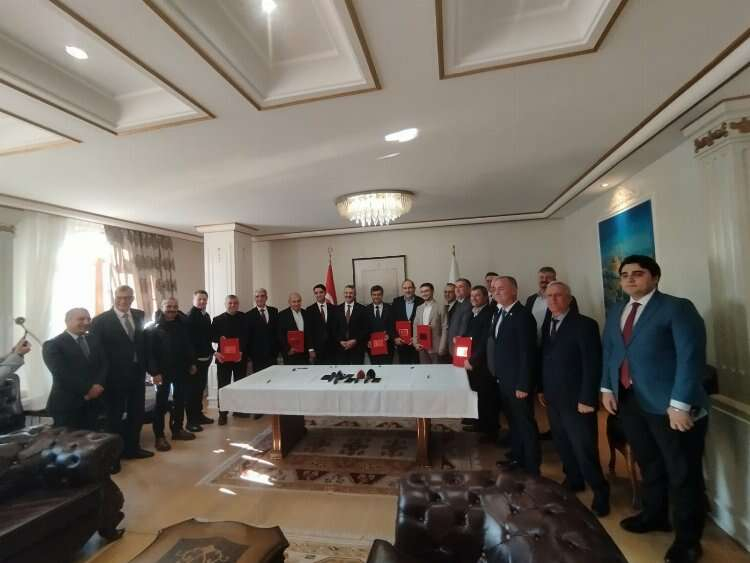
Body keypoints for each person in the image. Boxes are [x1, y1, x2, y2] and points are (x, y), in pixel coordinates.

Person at [601, 255, 708, 563]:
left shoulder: (677, 308)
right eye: (624, 275)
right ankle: (654, 515)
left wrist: (680, 404)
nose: (629, 279)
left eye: (638, 274)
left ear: (655, 278)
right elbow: (611, 351)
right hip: (630, 400)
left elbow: (691, 357)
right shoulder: (618, 310)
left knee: (682, 472)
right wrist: (607, 387)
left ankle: (688, 541)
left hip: (671, 406)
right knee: (649, 463)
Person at [538, 282, 609, 517]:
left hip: (578, 399)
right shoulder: (548, 323)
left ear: (569, 299)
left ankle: (600, 491)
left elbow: (592, 363)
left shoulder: (585, 324)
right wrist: (542, 389)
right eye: (549, 296)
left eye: (558, 296)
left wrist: (588, 397)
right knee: (562, 443)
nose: (553, 300)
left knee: (584, 446)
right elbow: (546, 358)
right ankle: (574, 480)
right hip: (553, 397)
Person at [90, 285, 153, 461]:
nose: (123, 301)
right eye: (119, 297)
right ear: (114, 297)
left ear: (132, 299)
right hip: (113, 377)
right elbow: (96, 353)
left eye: (127, 297)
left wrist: (151, 370)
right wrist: (99, 379)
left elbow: (143, 344)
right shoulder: (100, 321)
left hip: (137, 374)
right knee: (114, 417)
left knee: (136, 413)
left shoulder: (139, 315)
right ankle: (113, 457)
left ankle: (133, 449)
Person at [490, 276, 540, 475]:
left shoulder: (522, 315)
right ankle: (518, 458)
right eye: (494, 289)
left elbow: (527, 353)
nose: (496, 292)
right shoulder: (499, 313)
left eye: (501, 288)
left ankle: (532, 467)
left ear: (514, 291)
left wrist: (524, 384)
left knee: (525, 424)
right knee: (513, 423)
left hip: (518, 382)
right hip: (504, 379)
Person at [146, 298, 197, 451]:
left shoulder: (182, 324)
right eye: (168, 306)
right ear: (162, 307)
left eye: (175, 306)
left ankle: (177, 430)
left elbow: (188, 346)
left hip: (181, 370)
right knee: (161, 405)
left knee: (180, 401)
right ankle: (159, 436)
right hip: (162, 372)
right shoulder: (153, 328)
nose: (172, 309)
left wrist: (192, 363)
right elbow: (149, 354)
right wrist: (154, 373)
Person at [42, 308, 106, 430]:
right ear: (68, 321)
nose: (86, 322)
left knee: (93, 439)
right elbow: (61, 374)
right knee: (69, 441)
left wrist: (98, 385)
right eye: (81, 319)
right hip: (67, 405)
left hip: (94, 403)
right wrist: (88, 390)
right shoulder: (53, 345)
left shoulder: (93, 339)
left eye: (88, 319)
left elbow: (104, 364)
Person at [463, 286, 497, 442]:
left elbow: (485, 341)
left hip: (482, 363)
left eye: (477, 296)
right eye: (472, 296)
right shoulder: (473, 312)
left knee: (486, 397)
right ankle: (479, 424)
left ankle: (490, 431)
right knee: (477, 394)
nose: (474, 298)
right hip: (471, 361)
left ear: (485, 297)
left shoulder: (489, 313)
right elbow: (469, 335)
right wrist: (460, 339)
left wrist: (473, 360)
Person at [211, 294, 248, 425]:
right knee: (223, 386)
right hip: (223, 359)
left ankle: (239, 410)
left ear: (238, 304)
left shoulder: (244, 317)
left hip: (240, 357)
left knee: (240, 385)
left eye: (235, 303)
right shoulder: (217, 319)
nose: (233, 305)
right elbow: (212, 338)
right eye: (230, 303)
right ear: (225, 304)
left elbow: (247, 336)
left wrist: (241, 352)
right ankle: (223, 413)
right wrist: (219, 340)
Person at [525, 266, 579, 341]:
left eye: (548, 277)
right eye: (541, 277)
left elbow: (574, 323)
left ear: (555, 280)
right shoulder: (530, 299)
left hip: (555, 342)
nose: (544, 280)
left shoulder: (567, 299)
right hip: (532, 342)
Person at [186, 290, 214, 430]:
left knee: (200, 390)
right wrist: (191, 363)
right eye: (199, 299)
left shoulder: (206, 315)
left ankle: (199, 415)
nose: (202, 301)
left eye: (204, 299)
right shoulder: (190, 317)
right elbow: (188, 342)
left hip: (205, 358)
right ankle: (191, 421)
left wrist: (212, 353)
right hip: (195, 361)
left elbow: (207, 338)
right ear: (194, 300)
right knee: (192, 392)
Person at [247, 288, 279, 375]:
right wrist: (250, 355)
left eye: (262, 296)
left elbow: (277, 332)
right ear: (254, 298)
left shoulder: (274, 311)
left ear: (266, 297)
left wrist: (277, 350)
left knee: (274, 378)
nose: (260, 298)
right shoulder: (249, 315)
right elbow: (248, 337)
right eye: (257, 296)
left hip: (272, 354)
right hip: (257, 356)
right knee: (259, 379)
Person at [332, 285, 368, 364]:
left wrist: (355, 340)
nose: (348, 295)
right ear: (344, 294)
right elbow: (334, 329)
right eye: (346, 293)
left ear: (355, 295)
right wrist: (340, 341)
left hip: (357, 348)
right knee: (343, 371)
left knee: (357, 370)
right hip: (341, 349)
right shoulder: (336, 309)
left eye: (351, 293)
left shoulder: (362, 309)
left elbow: (365, 329)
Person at [413, 282, 448, 364]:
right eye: (422, 292)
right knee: (425, 370)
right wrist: (415, 343)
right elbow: (415, 326)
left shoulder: (441, 307)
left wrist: (442, 347)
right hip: (422, 346)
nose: (424, 294)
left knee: (437, 370)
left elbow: (445, 327)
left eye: (426, 291)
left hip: (436, 347)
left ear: (432, 291)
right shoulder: (419, 308)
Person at [392, 279, 423, 364]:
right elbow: (391, 322)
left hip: (416, 343)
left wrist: (417, 338)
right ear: (402, 289)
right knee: (404, 367)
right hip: (401, 343)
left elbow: (424, 323)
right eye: (405, 288)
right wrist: (395, 337)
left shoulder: (421, 302)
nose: (407, 290)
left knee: (417, 367)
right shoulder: (396, 302)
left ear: (414, 288)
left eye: (410, 287)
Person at [277, 292, 312, 365]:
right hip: (290, 353)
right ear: (289, 302)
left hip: (305, 354)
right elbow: (280, 335)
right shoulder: (282, 315)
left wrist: (310, 349)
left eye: (298, 301)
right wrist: (288, 349)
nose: (296, 304)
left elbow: (309, 333)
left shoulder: (306, 313)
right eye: (294, 301)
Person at [365, 285, 395, 364]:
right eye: (374, 294)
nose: (376, 297)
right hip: (372, 346)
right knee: (375, 369)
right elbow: (364, 328)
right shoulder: (366, 310)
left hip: (387, 346)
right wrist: (367, 341)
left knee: (387, 368)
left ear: (382, 295)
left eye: (378, 294)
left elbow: (393, 325)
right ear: (371, 295)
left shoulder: (390, 308)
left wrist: (389, 335)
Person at [305, 284, 334, 365]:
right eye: (316, 293)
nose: (318, 295)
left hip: (332, 348)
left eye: (321, 292)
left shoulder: (333, 308)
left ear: (325, 293)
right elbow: (308, 331)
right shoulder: (309, 310)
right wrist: (311, 349)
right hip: (317, 349)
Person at [447, 278, 473, 356]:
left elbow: (464, 326)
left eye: (461, 287)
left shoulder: (470, 303)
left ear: (469, 289)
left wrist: (459, 340)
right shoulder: (458, 303)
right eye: (456, 287)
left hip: (461, 344)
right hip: (454, 344)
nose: (457, 290)